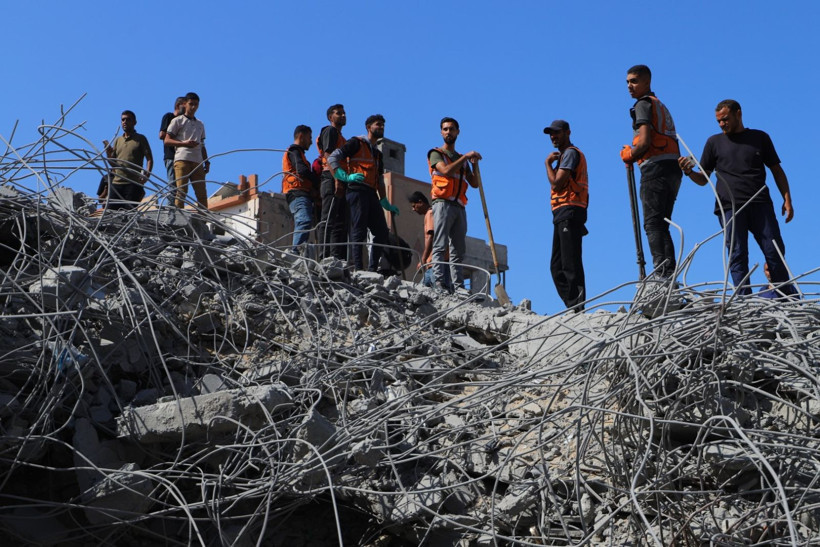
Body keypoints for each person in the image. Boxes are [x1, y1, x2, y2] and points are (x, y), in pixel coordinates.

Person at [679, 99, 796, 296]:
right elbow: (703, 179)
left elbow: (776, 169)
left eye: (725, 119)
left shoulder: (760, 137)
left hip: (760, 203)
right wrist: (689, 172)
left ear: (738, 114)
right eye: (718, 121)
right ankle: (743, 301)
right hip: (730, 207)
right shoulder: (713, 142)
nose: (721, 124)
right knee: (737, 254)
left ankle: (784, 298)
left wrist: (787, 199)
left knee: (774, 250)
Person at [620, 65, 682, 279]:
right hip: (673, 168)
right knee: (662, 223)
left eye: (634, 81)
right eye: (628, 81)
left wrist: (631, 154)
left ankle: (662, 274)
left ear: (647, 82)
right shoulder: (660, 105)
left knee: (653, 223)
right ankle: (668, 273)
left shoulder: (644, 105)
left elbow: (645, 141)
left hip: (655, 167)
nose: (630, 85)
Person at [328, 114, 399, 271]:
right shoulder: (356, 143)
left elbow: (379, 179)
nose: (381, 127)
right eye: (378, 124)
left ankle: (372, 269)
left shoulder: (377, 154)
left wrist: (385, 201)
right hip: (357, 191)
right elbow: (333, 158)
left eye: (383, 125)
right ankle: (358, 268)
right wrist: (344, 176)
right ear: (369, 127)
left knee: (381, 231)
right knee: (358, 230)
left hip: (371, 193)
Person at [427, 117, 481, 292]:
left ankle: (458, 287)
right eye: (445, 129)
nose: (448, 132)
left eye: (451, 129)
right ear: (441, 132)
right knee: (440, 244)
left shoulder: (461, 160)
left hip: (459, 206)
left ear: (458, 132)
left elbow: (474, 183)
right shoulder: (436, 154)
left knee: (458, 249)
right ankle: (439, 282)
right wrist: (466, 156)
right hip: (442, 203)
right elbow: (447, 171)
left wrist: (474, 165)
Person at [544, 120, 588, 311]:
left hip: (570, 209)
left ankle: (577, 308)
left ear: (567, 132)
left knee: (571, 263)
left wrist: (547, 164)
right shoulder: (564, 156)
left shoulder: (570, 153)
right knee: (557, 266)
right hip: (562, 211)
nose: (553, 136)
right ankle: (573, 306)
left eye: (557, 133)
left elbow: (557, 184)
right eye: (551, 134)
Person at [164, 92, 209, 209]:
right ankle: (179, 216)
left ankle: (203, 220)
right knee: (181, 191)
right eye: (191, 104)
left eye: (196, 104)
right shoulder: (177, 121)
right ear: (185, 104)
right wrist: (183, 143)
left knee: (202, 194)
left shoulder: (200, 124)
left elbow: (202, 145)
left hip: (197, 161)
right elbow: (167, 140)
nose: (193, 107)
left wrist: (206, 161)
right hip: (182, 159)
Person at [317, 104, 349, 260]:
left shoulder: (342, 137)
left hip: (339, 179)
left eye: (344, 113)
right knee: (328, 219)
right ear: (330, 117)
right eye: (339, 113)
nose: (343, 115)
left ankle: (336, 259)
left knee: (340, 222)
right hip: (330, 178)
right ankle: (324, 257)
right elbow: (329, 155)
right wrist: (337, 178)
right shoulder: (330, 132)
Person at [104, 110, 153, 209]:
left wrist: (146, 175)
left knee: (128, 215)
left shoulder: (140, 139)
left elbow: (149, 159)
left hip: (133, 183)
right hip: (117, 183)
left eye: (128, 119)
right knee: (110, 213)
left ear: (134, 122)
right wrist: (108, 154)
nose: (125, 122)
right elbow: (113, 163)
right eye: (123, 120)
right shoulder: (118, 140)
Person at [282, 125, 316, 253]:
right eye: (309, 138)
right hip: (297, 193)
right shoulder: (294, 151)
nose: (311, 142)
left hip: (299, 193)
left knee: (305, 222)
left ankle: (300, 253)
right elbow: (301, 170)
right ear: (301, 136)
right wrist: (317, 181)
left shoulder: (298, 153)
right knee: (304, 221)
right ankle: (295, 254)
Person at [408, 191, 450, 288]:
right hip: (432, 264)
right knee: (420, 290)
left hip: (436, 263)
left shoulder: (430, 213)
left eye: (414, 206)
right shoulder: (432, 213)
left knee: (439, 291)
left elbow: (431, 237)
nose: (413, 209)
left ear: (420, 202)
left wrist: (423, 259)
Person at [159, 96, 186, 195]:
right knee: (173, 184)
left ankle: (177, 207)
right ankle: (171, 209)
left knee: (181, 186)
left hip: (181, 157)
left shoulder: (183, 121)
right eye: (185, 105)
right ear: (178, 105)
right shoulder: (169, 117)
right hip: (171, 156)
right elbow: (161, 135)